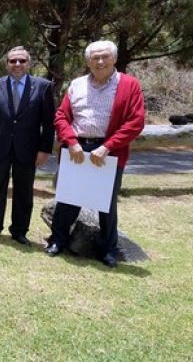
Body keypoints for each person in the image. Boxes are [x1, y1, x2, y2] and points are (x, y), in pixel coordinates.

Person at [46, 40, 145, 268]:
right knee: (68, 198)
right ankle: (58, 240)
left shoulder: (129, 85)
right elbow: (61, 116)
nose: (100, 61)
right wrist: (71, 142)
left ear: (114, 59)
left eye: (105, 57)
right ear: (88, 61)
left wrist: (107, 146)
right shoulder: (77, 84)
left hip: (108, 150)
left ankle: (108, 249)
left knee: (106, 204)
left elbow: (135, 121)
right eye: (95, 57)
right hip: (77, 148)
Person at [0, 46, 55, 245]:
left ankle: (19, 230)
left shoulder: (43, 86)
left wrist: (45, 149)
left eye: (22, 61)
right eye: (13, 61)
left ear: (29, 63)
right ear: (7, 64)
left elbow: (48, 122)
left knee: (24, 191)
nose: (17, 64)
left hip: (28, 149)